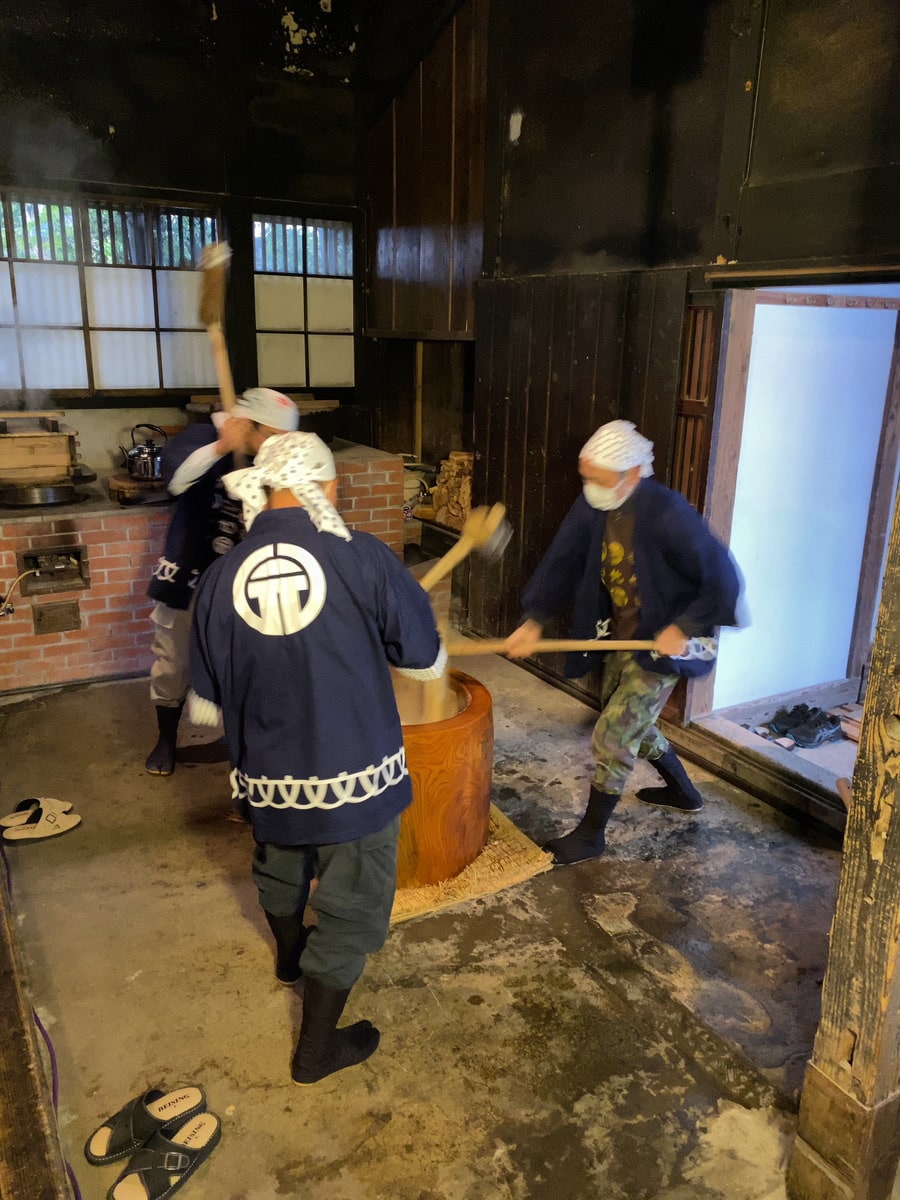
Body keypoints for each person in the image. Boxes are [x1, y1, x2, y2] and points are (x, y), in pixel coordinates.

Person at [186, 432, 445, 1085]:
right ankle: (316, 1050)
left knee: (280, 865)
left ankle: (287, 959)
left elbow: (205, 706)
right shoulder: (363, 558)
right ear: (328, 489)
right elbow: (422, 657)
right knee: (353, 903)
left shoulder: (218, 578)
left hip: (266, 779)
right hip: (352, 774)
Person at [504, 419, 741, 866]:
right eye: (585, 477)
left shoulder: (667, 513)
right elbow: (564, 558)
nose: (588, 486)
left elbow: (723, 580)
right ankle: (683, 792)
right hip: (626, 635)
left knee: (613, 733)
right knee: (629, 719)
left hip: (671, 641)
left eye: (598, 478)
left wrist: (684, 625)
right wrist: (534, 619)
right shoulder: (596, 504)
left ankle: (591, 837)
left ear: (631, 474)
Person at [145, 388, 300, 775]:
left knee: (245, 659)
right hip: (191, 566)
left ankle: (235, 738)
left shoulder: (275, 456)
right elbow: (176, 482)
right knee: (174, 658)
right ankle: (166, 738)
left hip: (245, 572)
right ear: (249, 424)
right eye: (270, 437)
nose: (274, 447)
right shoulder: (200, 438)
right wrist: (220, 447)